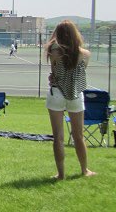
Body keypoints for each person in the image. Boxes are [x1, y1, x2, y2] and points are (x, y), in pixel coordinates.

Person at [45, 20, 95, 180]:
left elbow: (54, 70)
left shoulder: (53, 51)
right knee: (79, 135)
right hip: (75, 95)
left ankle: (61, 174)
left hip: (57, 94)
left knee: (58, 137)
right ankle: (84, 169)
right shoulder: (85, 54)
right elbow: (78, 73)